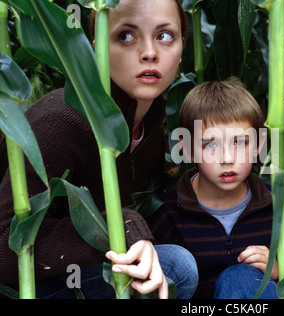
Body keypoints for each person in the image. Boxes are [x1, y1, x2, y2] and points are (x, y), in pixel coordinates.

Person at [0, 0, 198, 299]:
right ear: (95, 50)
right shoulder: (60, 122)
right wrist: (117, 232)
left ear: (183, 47)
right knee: (176, 267)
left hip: (92, 270)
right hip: (26, 286)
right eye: (126, 36)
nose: (149, 53)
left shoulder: (152, 127)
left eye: (165, 36)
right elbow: (5, 245)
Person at [147, 78, 278, 299]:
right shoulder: (168, 214)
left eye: (239, 142)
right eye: (211, 145)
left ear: (258, 144)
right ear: (186, 148)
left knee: (242, 278)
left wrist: (279, 270)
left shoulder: (277, 205)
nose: (227, 158)